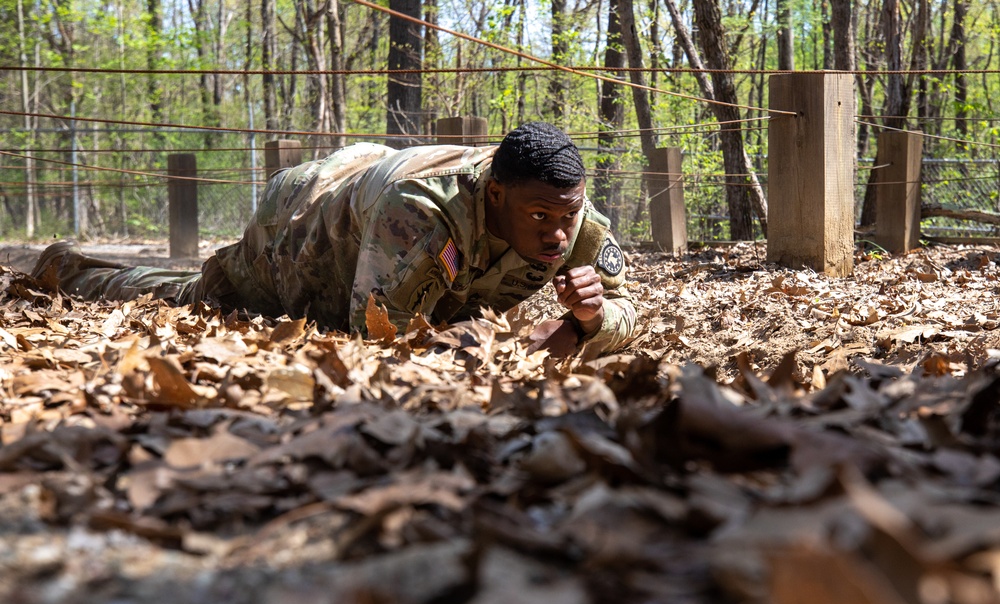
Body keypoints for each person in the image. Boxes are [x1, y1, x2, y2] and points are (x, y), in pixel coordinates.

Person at [31, 122, 637, 353]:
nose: (558, 235)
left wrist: (591, 320)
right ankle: (73, 268)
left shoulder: (572, 215)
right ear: (498, 197)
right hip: (304, 224)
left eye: (567, 215)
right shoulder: (423, 214)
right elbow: (381, 334)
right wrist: (507, 342)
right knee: (199, 297)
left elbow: (625, 309)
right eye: (540, 219)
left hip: (367, 188)